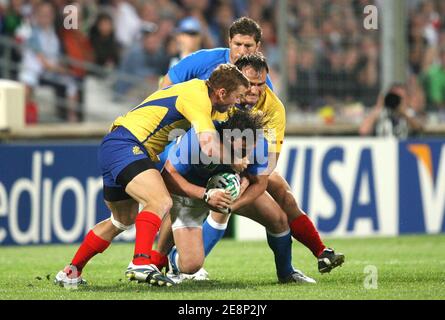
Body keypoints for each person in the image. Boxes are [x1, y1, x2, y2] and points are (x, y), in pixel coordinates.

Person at [54, 63, 250, 287]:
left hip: (117, 146)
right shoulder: (197, 97)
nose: (238, 101)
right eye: (238, 96)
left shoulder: (206, 99)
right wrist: (234, 161)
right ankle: (140, 263)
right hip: (128, 145)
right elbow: (208, 145)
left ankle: (71, 271)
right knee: (160, 200)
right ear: (222, 92)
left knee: (121, 220)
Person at [157, 53, 345, 280]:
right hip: (196, 169)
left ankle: (299, 265)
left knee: (279, 206)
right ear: (238, 83)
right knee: (181, 203)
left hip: (238, 172)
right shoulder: (216, 101)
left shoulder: (272, 110)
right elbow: (185, 155)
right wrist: (224, 176)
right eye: (250, 85)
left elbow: (266, 168)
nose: (255, 90)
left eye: (261, 84)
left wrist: (237, 191)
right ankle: (166, 261)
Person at [154, 110, 316, 284]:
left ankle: (287, 274)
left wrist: (231, 205)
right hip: (189, 191)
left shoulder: (259, 143)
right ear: (228, 139)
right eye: (243, 150)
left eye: (250, 149)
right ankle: (170, 260)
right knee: (191, 265)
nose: (246, 156)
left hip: (224, 190)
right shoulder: (200, 138)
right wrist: (206, 195)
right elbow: (169, 176)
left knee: (278, 219)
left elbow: (260, 183)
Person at [159, 16, 273, 90]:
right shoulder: (205, 59)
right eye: (238, 44)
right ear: (229, 42)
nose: (242, 51)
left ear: (257, 46)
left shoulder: (261, 78)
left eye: (248, 46)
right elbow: (168, 81)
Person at [359, 83, 425, 138]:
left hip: (402, 148)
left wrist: (403, 113)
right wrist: (378, 107)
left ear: (406, 99)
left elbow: (419, 129)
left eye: (400, 98)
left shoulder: (409, 113)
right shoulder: (380, 113)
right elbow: (363, 131)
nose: (395, 100)